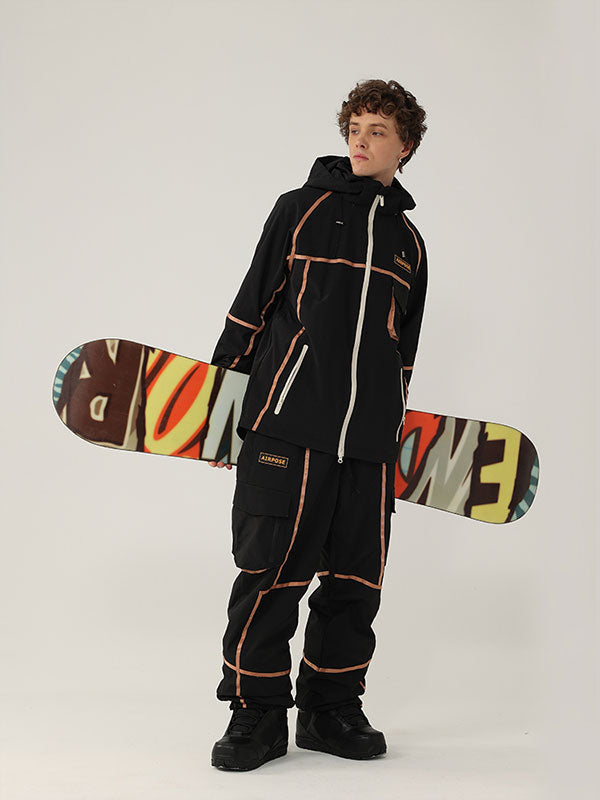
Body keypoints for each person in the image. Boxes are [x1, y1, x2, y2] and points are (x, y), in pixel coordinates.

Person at [207, 78, 428, 771]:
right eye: (354, 129)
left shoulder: (409, 243)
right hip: (287, 427)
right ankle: (256, 714)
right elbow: (250, 307)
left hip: (366, 444)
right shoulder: (299, 210)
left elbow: (403, 351)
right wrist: (221, 418)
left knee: (355, 583)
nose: (361, 142)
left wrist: (391, 431)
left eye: (377, 132)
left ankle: (331, 710)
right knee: (270, 573)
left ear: (405, 147)